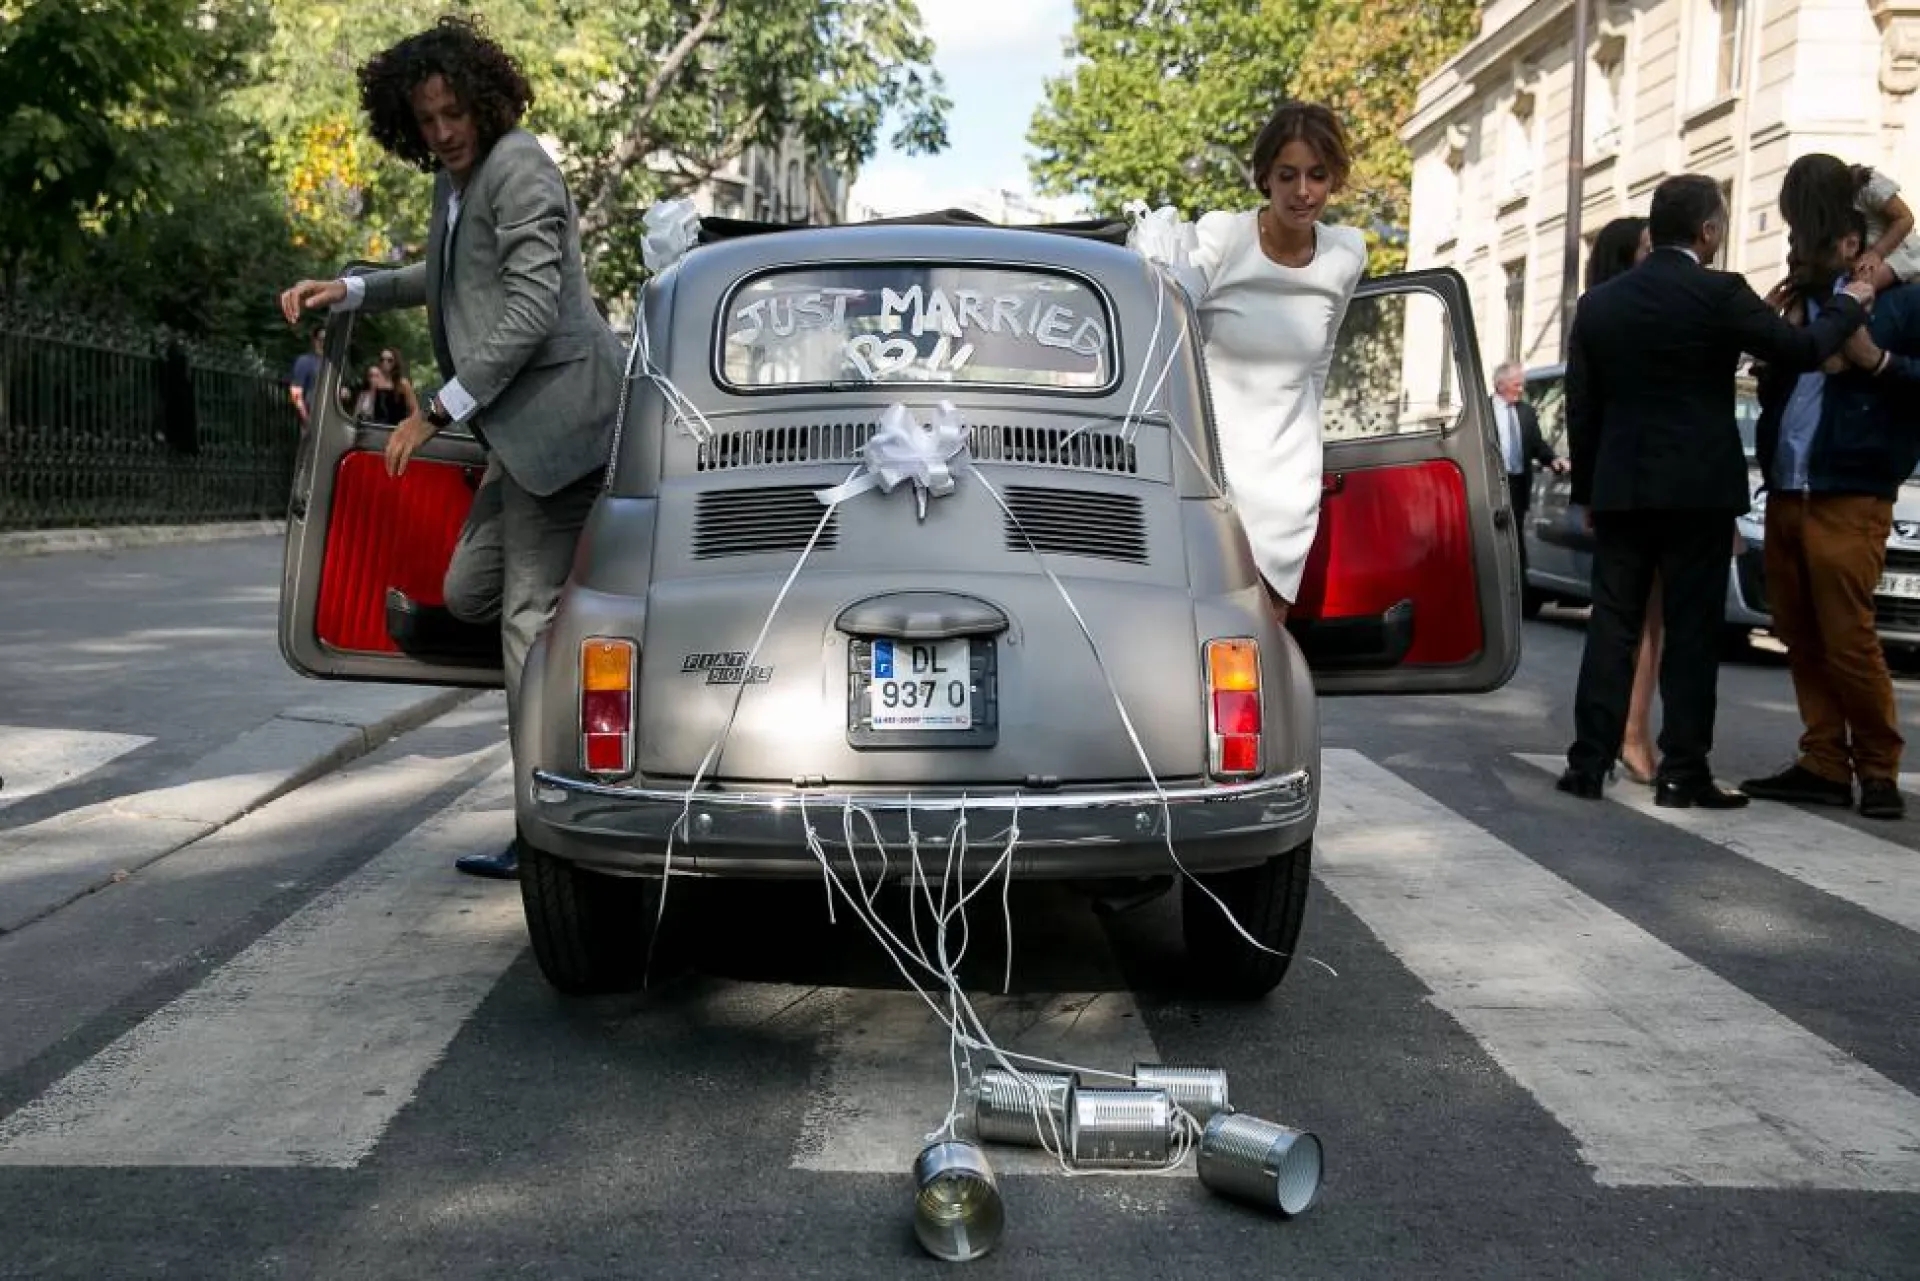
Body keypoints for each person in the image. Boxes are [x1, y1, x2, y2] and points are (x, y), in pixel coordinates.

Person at [279, 16, 624, 879]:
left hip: (563, 431)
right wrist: (351, 287)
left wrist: (437, 406)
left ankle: (543, 829)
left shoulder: (522, 170)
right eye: (426, 120)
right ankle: (572, 660)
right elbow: (439, 276)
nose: (443, 132)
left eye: (452, 113)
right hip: (516, 439)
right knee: (473, 591)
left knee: (520, 623)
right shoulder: (454, 181)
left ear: (482, 99)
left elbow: (531, 311)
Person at [1557, 175, 1874, 808]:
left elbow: (1582, 408)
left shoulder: (1601, 304)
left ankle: (1587, 765)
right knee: (1693, 632)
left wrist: (1590, 491)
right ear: (1708, 232)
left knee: (1612, 629)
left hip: (1622, 489)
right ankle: (1683, 773)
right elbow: (1803, 347)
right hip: (1698, 490)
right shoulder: (1720, 292)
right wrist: (1851, 300)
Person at [1742, 211, 1920, 820]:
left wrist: (1879, 363)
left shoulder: (1903, 302)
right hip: (1789, 489)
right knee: (1798, 633)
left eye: (1805, 238)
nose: (1794, 249)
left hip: (1852, 492)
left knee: (1848, 638)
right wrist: (1775, 344)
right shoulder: (1801, 304)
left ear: (1852, 242)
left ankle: (1877, 769)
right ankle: (1822, 761)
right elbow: (1774, 395)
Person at [1169, 102, 1368, 625]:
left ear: (1334, 180)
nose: (1303, 191)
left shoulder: (1346, 254)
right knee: (1203, 634)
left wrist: (1310, 438)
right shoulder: (1223, 237)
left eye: (1317, 175)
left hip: (1288, 478)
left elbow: (1321, 357)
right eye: (1288, 175)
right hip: (1212, 469)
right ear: (1264, 177)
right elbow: (1168, 329)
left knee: (1265, 642)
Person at [1582, 216, 1665, 784]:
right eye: (1645, 249)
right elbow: (1585, 408)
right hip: (1636, 483)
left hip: (1620, 483)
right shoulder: (1622, 315)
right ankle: (1631, 735)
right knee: (1640, 619)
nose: (1655, 257)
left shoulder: (1601, 312)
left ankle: (1616, 737)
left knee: (1630, 618)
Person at [1778, 153, 1919, 294]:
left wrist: (1877, 253)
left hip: (1900, 254)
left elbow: (1905, 218)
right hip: (1862, 260)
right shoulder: (1829, 213)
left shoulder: (1868, 186)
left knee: (1862, 285)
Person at [1489, 360, 1569, 586]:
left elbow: (1536, 444)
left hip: (1517, 484)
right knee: (1491, 538)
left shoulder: (1526, 412)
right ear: (1501, 384)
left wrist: (1553, 459)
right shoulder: (1484, 412)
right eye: (1517, 385)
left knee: (1515, 539)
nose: (1521, 389)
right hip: (1491, 484)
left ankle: (1516, 591)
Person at [355, 347, 418, 425]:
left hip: (396, 429)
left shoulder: (402, 383)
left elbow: (414, 411)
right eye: (382, 360)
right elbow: (364, 402)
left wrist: (405, 424)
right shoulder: (375, 381)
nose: (385, 363)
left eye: (390, 360)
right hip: (377, 428)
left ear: (395, 362)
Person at [289, 325, 325, 429]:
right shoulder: (304, 361)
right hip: (311, 416)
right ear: (314, 341)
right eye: (321, 339)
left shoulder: (331, 364)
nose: (323, 343)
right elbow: (295, 391)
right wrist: (305, 418)